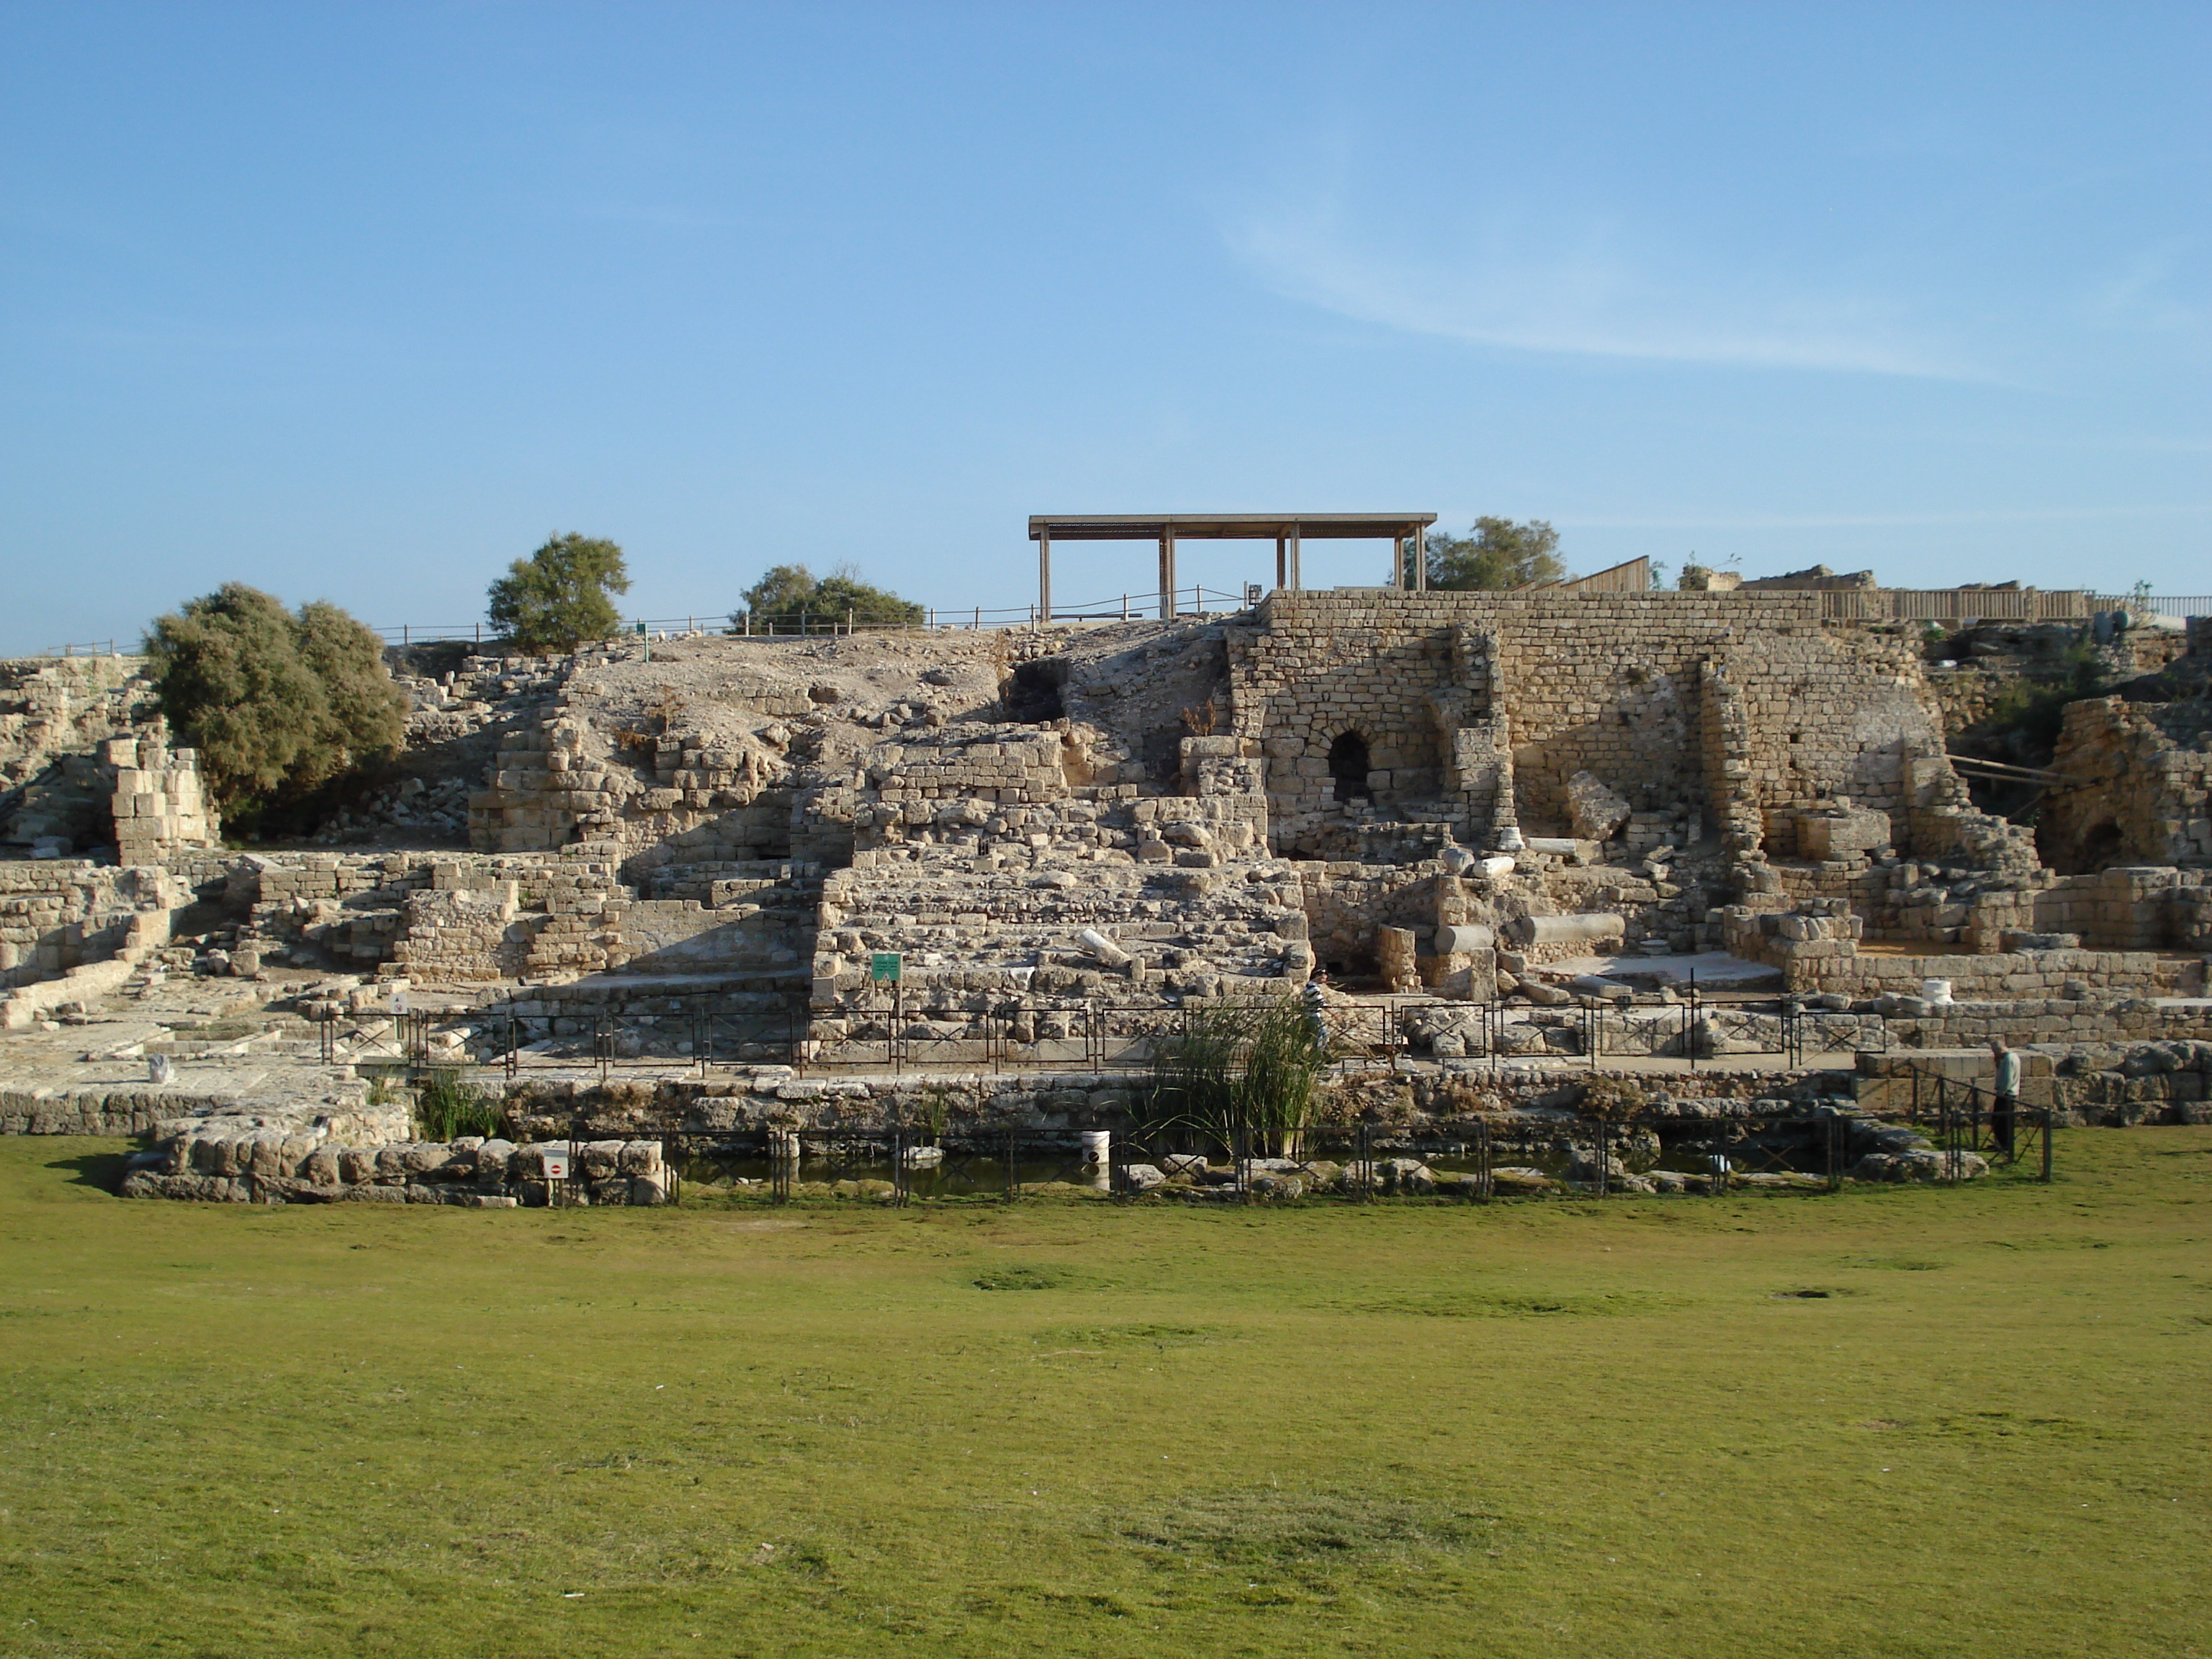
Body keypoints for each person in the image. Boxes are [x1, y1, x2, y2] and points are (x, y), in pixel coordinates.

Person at [1989, 1038, 2020, 1158]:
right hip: (2008, 1093)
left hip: (2006, 1094)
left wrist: (2001, 1092)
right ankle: (2001, 1143)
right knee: (2001, 1120)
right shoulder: (2009, 1058)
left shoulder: (2009, 1059)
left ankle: (2004, 1145)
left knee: (2001, 1121)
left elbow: (2007, 1079)